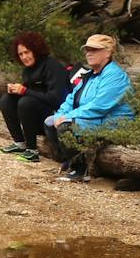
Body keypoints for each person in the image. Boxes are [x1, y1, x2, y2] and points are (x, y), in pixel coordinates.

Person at [46, 33, 133, 182]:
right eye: (87, 49)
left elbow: (99, 107)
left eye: (94, 49)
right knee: (49, 122)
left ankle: (81, 170)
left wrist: (67, 117)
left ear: (108, 52)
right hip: (93, 119)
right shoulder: (90, 74)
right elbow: (71, 99)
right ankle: (70, 160)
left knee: (66, 125)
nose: (89, 53)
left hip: (113, 122)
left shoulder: (114, 76)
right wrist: (61, 114)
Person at [0, 32, 73, 162]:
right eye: (21, 54)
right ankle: (19, 143)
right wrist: (16, 90)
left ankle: (32, 150)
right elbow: (29, 92)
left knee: (26, 102)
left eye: (27, 52)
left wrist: (25, 91)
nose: (24, 57)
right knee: (6, 99)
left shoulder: (52, 66)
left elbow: (56, 99)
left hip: (54, 118)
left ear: (36, 50)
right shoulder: (28, 70)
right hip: (33, 117)